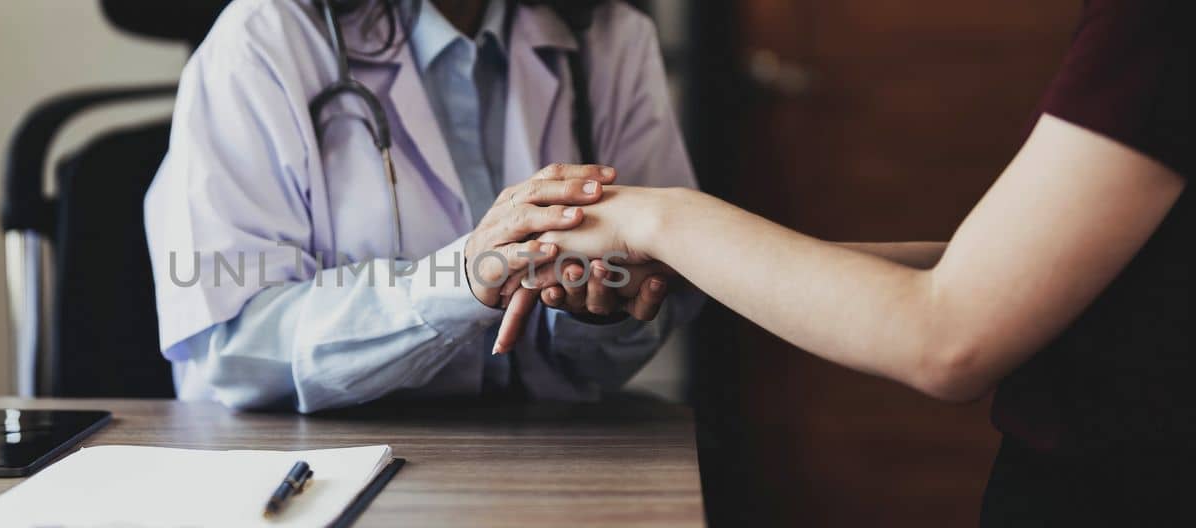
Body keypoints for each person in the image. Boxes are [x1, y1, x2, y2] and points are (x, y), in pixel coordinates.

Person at [499, 0, 1193, 524]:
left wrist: (657, 217)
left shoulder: (1157, 26)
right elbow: (1001, 273)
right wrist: (695, 259)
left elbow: (949, 335)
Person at [144, 0, 700, 413]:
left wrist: (595, 313)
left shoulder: (613, 38)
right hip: (306, 467)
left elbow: (667, 291)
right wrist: (457, 283)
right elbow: (235, 346)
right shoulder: (262, 38)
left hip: (542, 461)